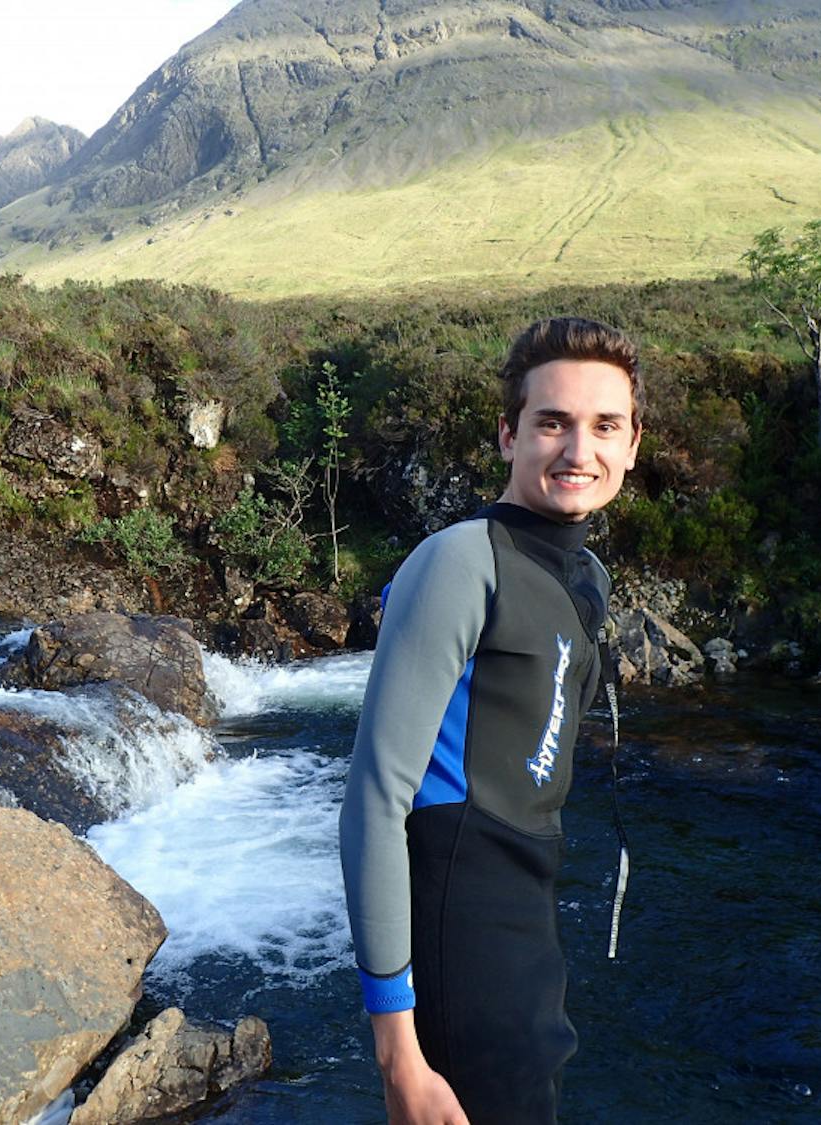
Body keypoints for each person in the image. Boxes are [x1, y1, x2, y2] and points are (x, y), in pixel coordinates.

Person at [339, 316, 643, 1124]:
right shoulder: (460, 562)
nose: (580, 450)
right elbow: (374, 797)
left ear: (632, 444)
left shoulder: (586, 578)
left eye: (604, 425)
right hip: (460, 929)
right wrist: (397, 1049)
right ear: (509, 434)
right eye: (553, 422)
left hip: (528, 924)